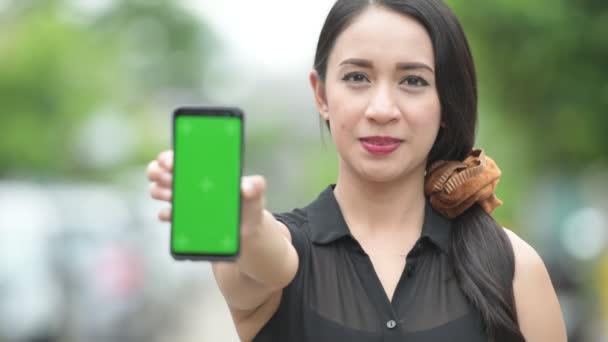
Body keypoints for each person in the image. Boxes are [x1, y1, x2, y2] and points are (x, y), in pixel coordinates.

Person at [147, 0, 567, 341]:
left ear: (446, 102)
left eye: (413, 81)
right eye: (357, 77)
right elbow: (269, 260)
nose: (381, 109)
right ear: (321, 93)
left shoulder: (512, 267)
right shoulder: (281, 250)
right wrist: (247, 222)